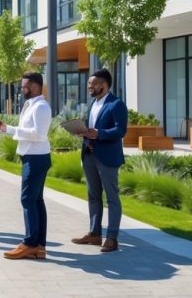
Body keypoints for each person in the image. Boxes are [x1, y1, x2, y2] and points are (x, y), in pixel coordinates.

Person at [72, 68, 128, 253]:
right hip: (89, 154)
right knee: (93, 196)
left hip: (107, 158)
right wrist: (84, 132)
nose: (89, 86)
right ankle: (95, 234)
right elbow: (92, 128)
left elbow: (121, 130)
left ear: (103, 85)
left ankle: (112, 238)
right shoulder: (93, 104)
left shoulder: (116, 104)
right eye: (88, 83)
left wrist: (99, 134)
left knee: (111, 198)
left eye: (92, 83)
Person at [0, 71, 50, 260]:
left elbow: (39, 134)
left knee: (27, 199)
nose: (21, 88)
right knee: (36, 200)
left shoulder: (41, 107)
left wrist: (12, 130)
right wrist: (6, 129)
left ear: (35, 86)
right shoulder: (31, 105)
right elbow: (30, 132)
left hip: (36, 158)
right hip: (32, 156)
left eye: (24, 85)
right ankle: (40, 245)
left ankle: (30, 244)